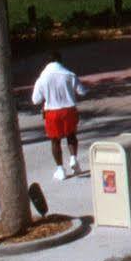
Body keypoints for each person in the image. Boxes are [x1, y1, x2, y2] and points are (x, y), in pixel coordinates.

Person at [30, 49, 86, 186]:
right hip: (69, 110)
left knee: (55, 141)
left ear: (47, 63)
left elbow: (36, 100)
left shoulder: (42, 78)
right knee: (71, 135)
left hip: (52, 112)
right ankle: (73, 158)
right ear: (60, 61)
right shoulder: (69, 75)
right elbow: (82, 91)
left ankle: (60, 169)